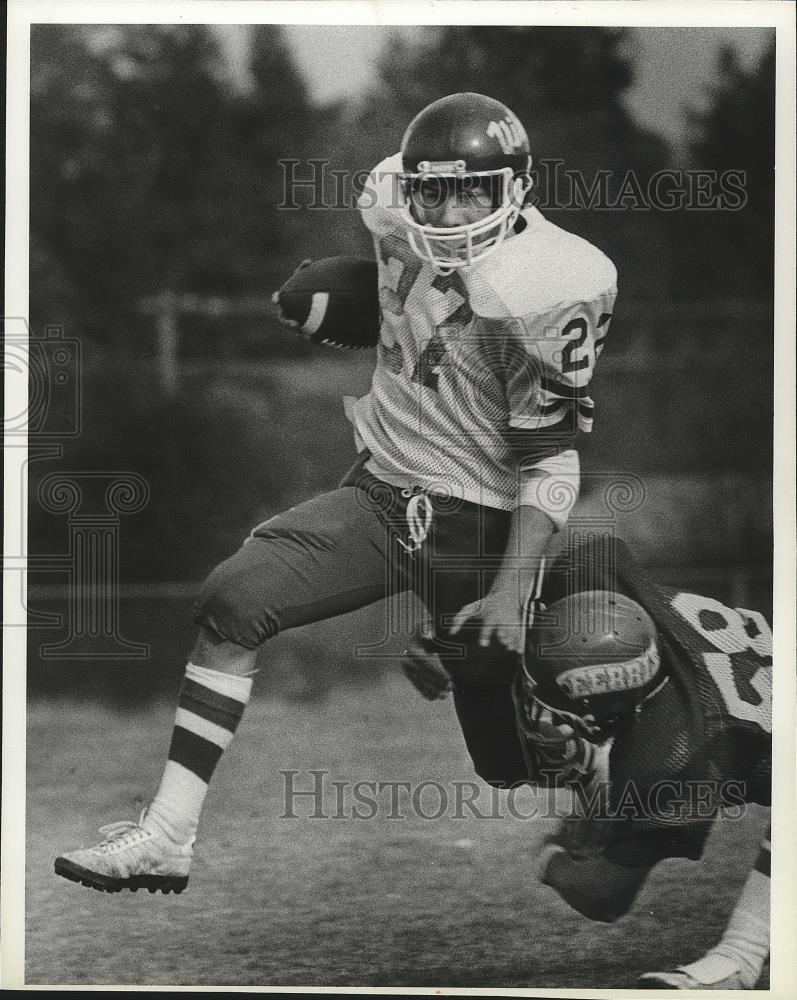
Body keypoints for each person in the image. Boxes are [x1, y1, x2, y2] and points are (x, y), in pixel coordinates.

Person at [55, 93, 617, 893]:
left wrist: (509, 587)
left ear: (516, 188)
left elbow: (552, 460)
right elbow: (397, 290)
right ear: (409, 185)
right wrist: (367, 305)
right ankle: (166, 837)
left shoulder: (551, 284)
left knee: (502, 761)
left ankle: (600, 775)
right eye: (433, 190)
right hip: (383, 492)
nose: (449, 208)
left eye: (473, 190)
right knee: (232, 599)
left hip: (480, 520)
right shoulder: (387, 202)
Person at [406, 534, 771, 990]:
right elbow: (591, 553)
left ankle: (740, 960)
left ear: (606, 713)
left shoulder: (673, 751)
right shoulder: (604, 589)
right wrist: (455, 626)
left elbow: (605, 896)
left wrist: (551, 855)